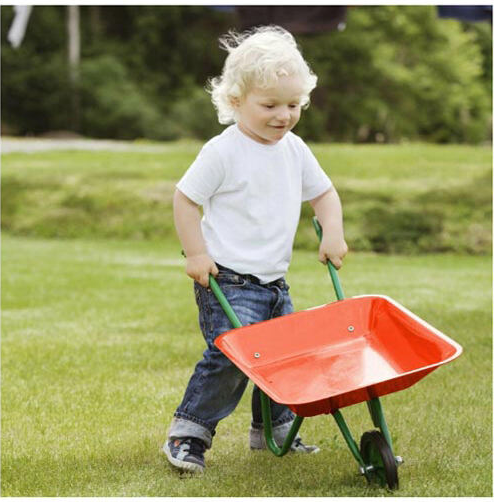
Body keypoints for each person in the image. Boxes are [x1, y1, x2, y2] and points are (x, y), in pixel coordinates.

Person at [163, 25, 348, 473]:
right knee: (233, 355)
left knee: (284, 357)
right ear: (235, 102)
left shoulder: (295, 150)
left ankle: (273, 430)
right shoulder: (223, 152)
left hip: (273, 281)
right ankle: (188, 433)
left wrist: (333, 232)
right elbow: (185, 200)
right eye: (270, 105)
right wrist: (196, 254)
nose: (283, 115)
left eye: (293, 105)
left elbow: (324, 195)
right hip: (227, 279)